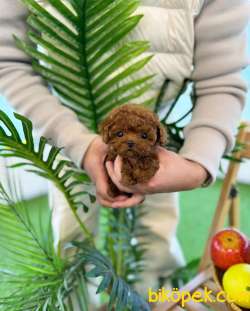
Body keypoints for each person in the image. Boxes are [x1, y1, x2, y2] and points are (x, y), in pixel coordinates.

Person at [0, 0, 249, 299]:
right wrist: (77, 143)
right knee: (71, 241)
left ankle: (156, 298)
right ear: (110, 133)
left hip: (161, 146)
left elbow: (221, 77)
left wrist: (196, 164)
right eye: (119, 134)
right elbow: (9, 59)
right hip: (67, 131)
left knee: (156, 243)